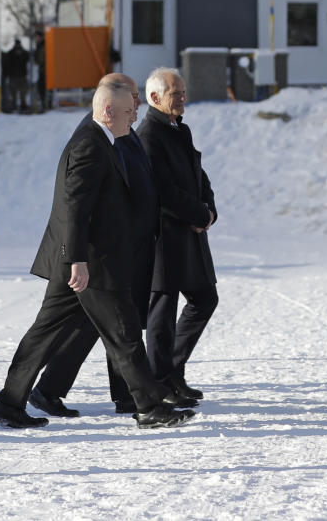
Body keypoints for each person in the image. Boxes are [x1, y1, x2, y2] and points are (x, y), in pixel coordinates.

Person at [0, 83, 193, 431]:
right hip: (91, 262)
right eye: (129, 112)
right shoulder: (89, 144)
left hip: (84, 260)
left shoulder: (103, 140)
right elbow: (74, 210)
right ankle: (148, 406)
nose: (134, 117)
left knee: (45, 332)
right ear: (109, 111)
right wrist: (75, 260)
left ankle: (9, 402)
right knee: (124, 332)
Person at [29, 73, 160, 417]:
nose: (136, 109)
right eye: (131, 100)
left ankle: (45, 391)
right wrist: (76, 257)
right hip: (91, 254)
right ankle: (141, 401)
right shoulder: (95, 138)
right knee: (117, 328)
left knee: (93, 327)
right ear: (110, 103)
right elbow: (78, 204)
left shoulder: (120, 134)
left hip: (107, 251)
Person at [136, 67, 218, 405]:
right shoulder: (149, 134)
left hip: (190, 234)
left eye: (183, 91)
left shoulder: (178, 129)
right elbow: (163, 191)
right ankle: (161, 382)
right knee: (162, 311)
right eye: (175, 93)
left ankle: (173, 372)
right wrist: (198, 214)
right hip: (165, 238)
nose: (183, 97)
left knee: (204, 299)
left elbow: (199, 174)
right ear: (155, 98)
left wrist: (209, 208)